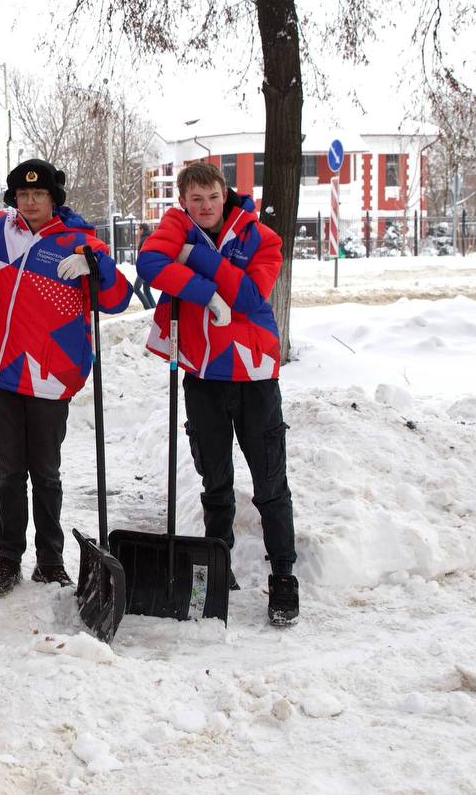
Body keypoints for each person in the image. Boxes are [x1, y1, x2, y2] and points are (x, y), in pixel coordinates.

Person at [0, 159, 133, 594]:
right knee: (9, 471)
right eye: (23, 195)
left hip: (51, 374)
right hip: (1, 370)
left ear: (54, 199)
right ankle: (8, 561)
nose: (30, 201)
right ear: (13, 198)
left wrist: (97, 268)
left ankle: (50, 561)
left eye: (39, 195)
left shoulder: (80, 242)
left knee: (47, 473)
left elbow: (117, 299)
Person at [135, 160, 299, 626]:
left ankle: (283, 576)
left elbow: (250, 298)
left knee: (270, 483)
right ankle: (217, 563)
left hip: (253, 378)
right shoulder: (175, 225)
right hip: (203, 374)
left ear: (225, 193)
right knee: (216, 480)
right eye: (195, 199)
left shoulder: (259, 237)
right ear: (183, 201)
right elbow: (149, 263)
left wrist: (195, 258)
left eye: (212, 197)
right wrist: (208, 294)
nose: (204, 207)